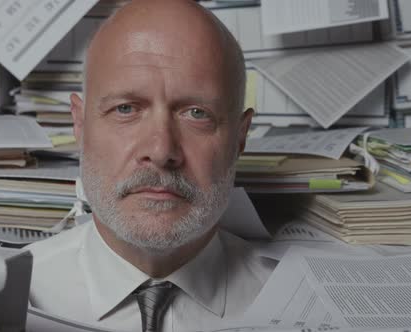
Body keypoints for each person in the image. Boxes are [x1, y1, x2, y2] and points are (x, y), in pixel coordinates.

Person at [27, 0, 276, 330]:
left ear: (240, 138)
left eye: (197, 114)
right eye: (126, 109)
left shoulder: (294, 302)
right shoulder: (1, 298)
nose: (161, 151)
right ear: (79, 125)